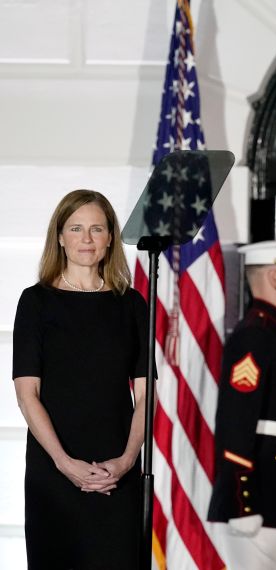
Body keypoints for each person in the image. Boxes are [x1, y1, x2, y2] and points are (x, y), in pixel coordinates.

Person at [12, 189, 148, 569]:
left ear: (110, 238)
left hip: (116, 471)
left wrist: (125, 461)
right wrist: (64, 463)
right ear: (60, 237)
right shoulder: (36, 302)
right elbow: (27, 395)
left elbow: (146, 395)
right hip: (54, 470)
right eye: (76, 228)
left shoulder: (132, 304)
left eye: (96, 229)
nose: (86, 239)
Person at [208, 238, 276, 569]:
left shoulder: (275, 332)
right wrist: (243, 502)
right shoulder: (255, 334)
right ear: (274, 276)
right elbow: (236, 420)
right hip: (258, 494)